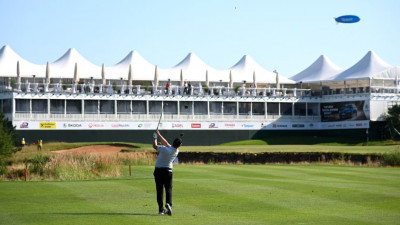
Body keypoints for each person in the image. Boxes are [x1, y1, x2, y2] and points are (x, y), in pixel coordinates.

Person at [152, 130, 181, 216]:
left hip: (158, 171)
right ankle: (169, 204)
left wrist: (155, 137)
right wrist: (158, 134)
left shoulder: (164, 149)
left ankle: (161, 210)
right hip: (168, 171)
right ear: (179, 146)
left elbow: (155, 146)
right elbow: (166, 143)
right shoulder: (176, 151)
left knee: (159, 190)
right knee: (168, 189)